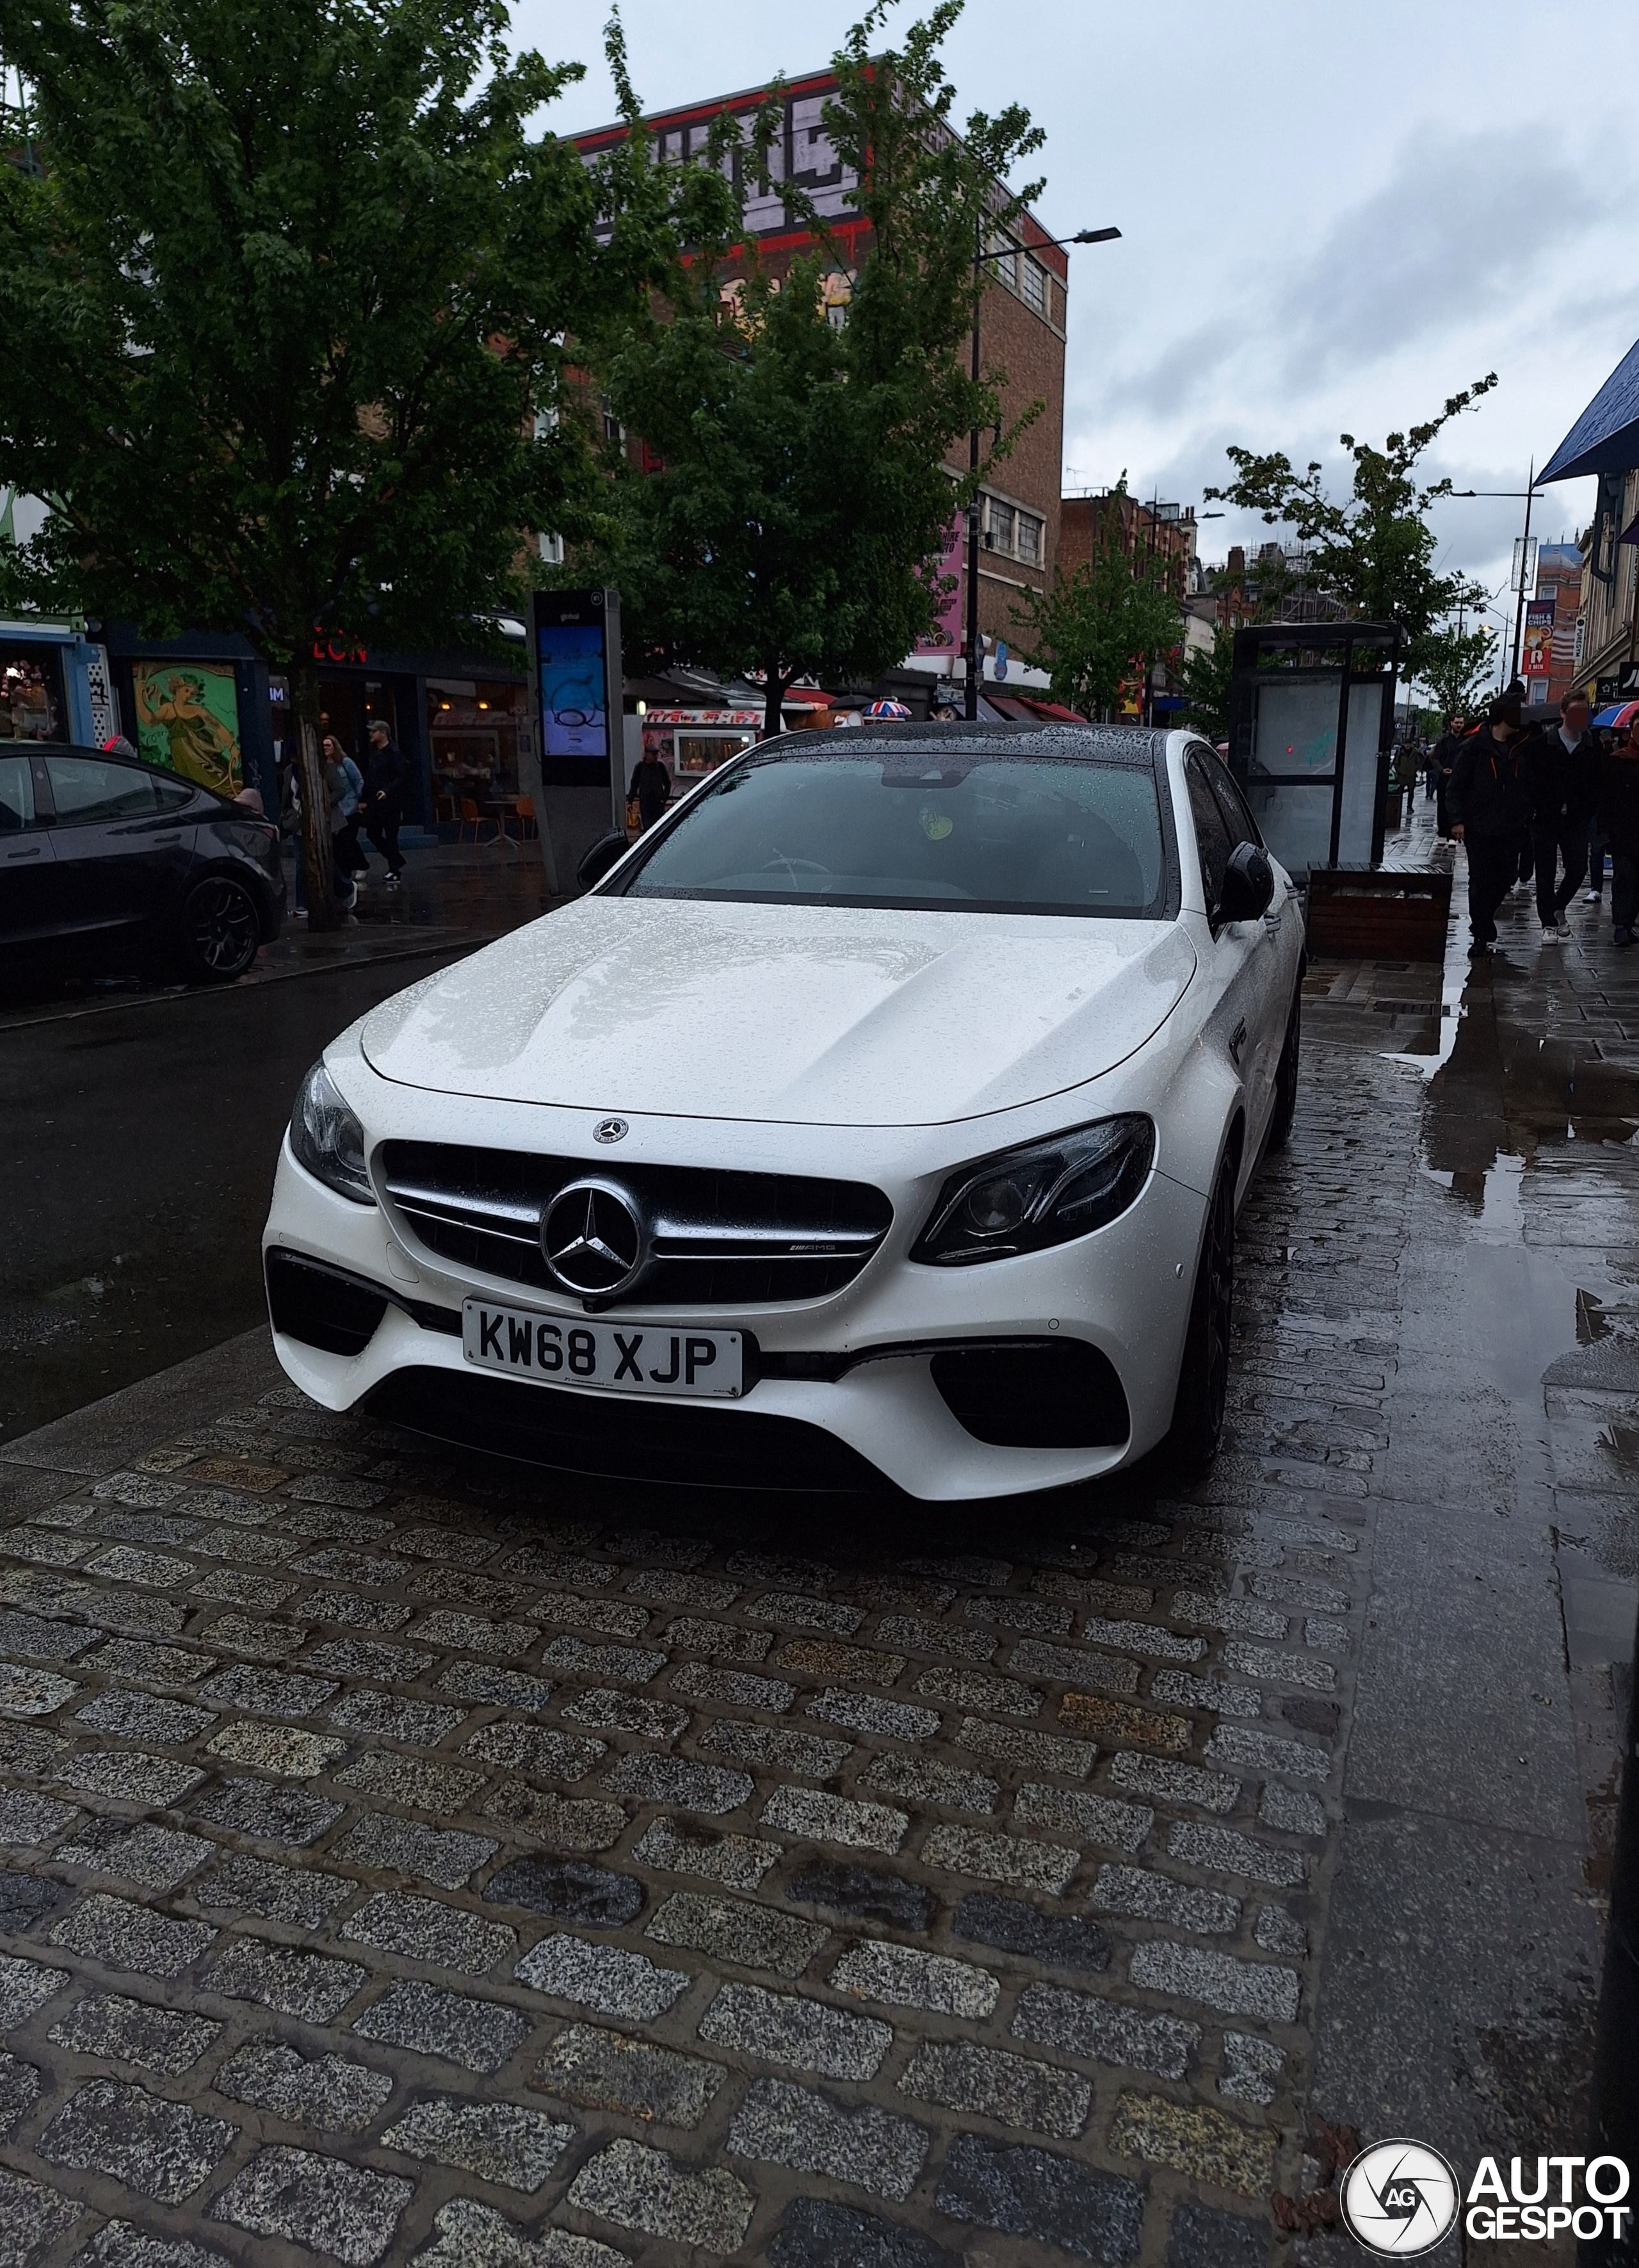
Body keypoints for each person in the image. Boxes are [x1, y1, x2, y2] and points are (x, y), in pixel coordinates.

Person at [1448, 693, 1530, 958]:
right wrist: (1457, 820)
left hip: (1511, 826)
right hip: (1480, 826)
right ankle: (1480, 934)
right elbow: (1456, 786)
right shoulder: (1474, 747)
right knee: (1480, 880)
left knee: (1507, 877)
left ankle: (1484, 920)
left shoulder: (1522, 745)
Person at [1522, 693, 1598, 943]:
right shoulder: (1542, 745)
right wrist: (1530, 809)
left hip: (1575, 819)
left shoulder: (1591, 747)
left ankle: (1557, 907)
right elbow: (1528, 780)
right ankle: (1548, 924)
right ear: (1563, 714)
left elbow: (1597, 784)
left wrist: (1590, 810)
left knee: (1577, 869)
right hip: (1544, 817)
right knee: (1545, 872)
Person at [1599, 717, 1639, 948]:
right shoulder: (1619, 759)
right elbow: (1607, 797)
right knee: (1625, 876)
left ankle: (1628, 922)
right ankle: (1621, 925)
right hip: (1623, 829)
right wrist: (1604, 831)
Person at [360, 717, 407, 887]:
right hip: (376, 800)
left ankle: (394, 870)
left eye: (374, 731)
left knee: (391, 835)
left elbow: (401, 776)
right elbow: (371, 776)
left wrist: (387, 790)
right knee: (372, 832)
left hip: (391, 802)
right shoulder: (374, 752)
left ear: (383, 733)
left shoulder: (394, 753)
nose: (371, 734)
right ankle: (396, 860)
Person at [1432, 713, 1468, 837]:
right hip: (1444, 779)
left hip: (1460, 779)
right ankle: (1442, 833)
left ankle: (1452, 835)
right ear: (1451, 723)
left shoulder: (1466, 740)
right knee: (1442, 806)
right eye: (1457, 722)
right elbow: (1435, 758)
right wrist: (1442, 770)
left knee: (1456, 806)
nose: (1459, 725)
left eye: (1461, 723)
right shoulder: (1444, 741)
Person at [627, 747, 672, 831]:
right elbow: (634, 784)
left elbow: (667, 783)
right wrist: (630, 800)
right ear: (647, 755)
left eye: (657, 755)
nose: (656, 757)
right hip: (646, 803)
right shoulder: (640, 767)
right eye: (654, 755)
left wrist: (664, 798)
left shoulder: (660, 766)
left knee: (659, 828)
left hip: (658, 803)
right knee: (648, 828)